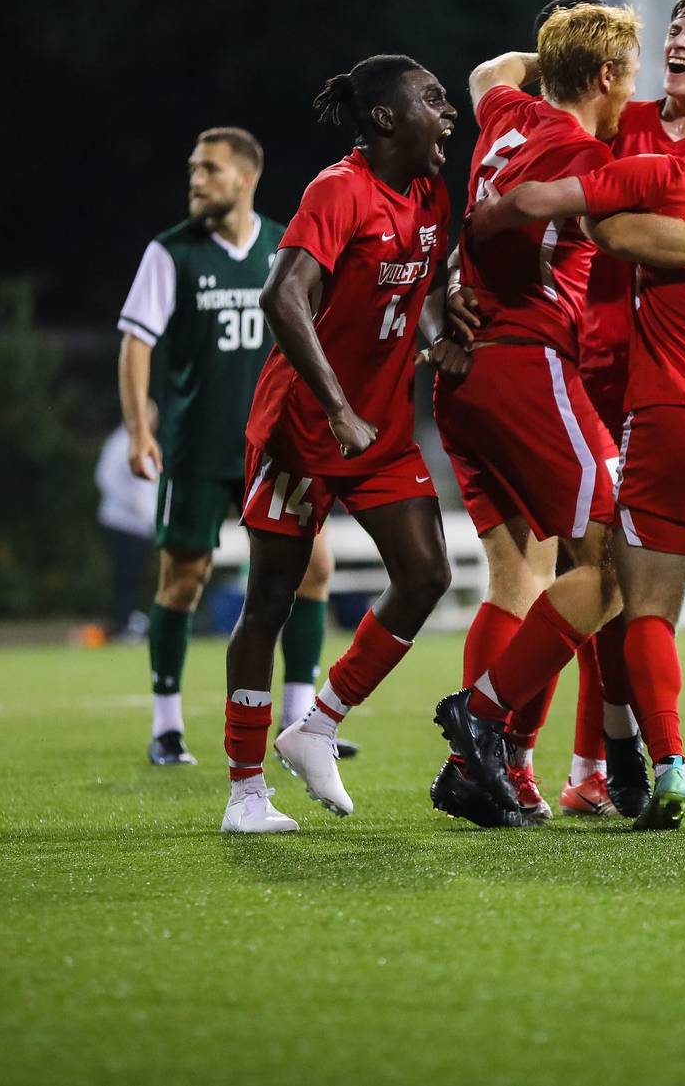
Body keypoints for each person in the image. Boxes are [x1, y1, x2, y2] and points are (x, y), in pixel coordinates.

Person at [431, 6, 685, 826]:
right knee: (609, 571)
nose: (675, 43)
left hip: (675, 382)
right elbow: (611, 223)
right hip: (587, 371)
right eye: (669, 29)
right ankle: (574, 757)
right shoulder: (620, 123)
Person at [220, 54, 457, 833]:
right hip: (304, 431)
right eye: (431, 99)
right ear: (384, 118)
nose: (447, 112)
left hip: (380, 428)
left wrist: (437, 337)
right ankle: (246, 791)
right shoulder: (337, 190)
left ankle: (317, 723)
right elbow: (282, 295)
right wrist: (335, 406)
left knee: (425, 575)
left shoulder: (428, 189)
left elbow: (416, 282)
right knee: (269, 600)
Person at [118, 127, 340, 767]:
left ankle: (302, 720)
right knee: (183, 578)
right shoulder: (171, 253)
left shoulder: (283, 247)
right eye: (193, 168)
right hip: (199, 448)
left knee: (315, 569)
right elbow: (136, 341)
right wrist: (139, 431)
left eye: (209, 169)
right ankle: (166, 726)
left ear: (246, 178)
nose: (195, 180)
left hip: (280, 448)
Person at [95, 423, 160, 640]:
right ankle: (122, 624)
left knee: (134, 578)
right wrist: (133, 504)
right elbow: (106, 478)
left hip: (141, 525)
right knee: (125, 577)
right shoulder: (120, 442)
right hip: (123, 522)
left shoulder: (146, 441)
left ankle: (129, 621)